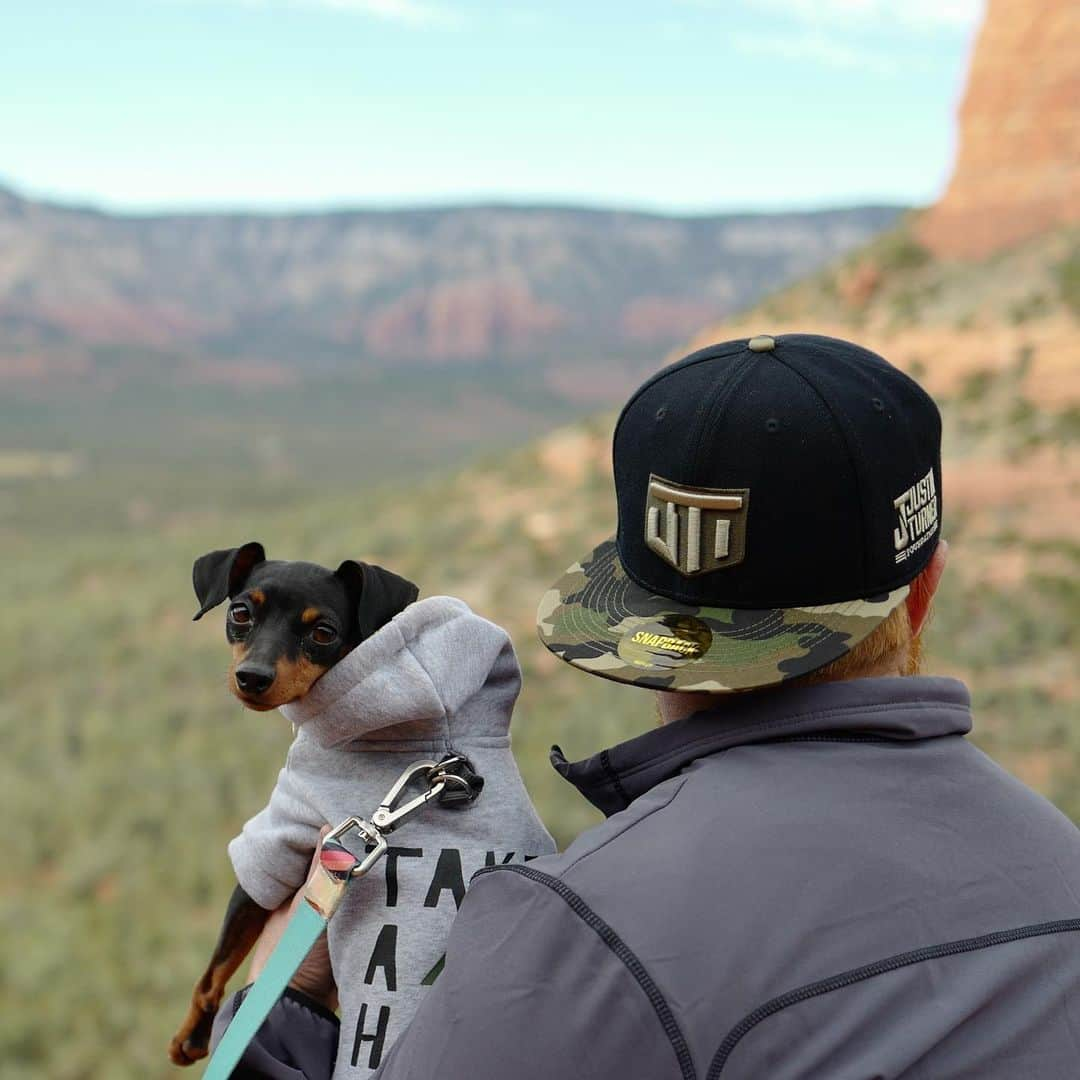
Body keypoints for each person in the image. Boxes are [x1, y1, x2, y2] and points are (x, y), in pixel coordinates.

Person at [213, 334, 1080, 1078]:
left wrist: (286, 993)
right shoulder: (1060, 862)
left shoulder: (572, 935)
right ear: (923, 589)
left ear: (634, 622)